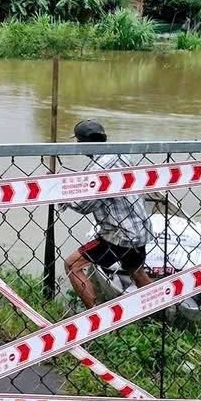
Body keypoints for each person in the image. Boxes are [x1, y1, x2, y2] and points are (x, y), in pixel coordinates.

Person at [64, 118, 152, 308]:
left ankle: (96, 316)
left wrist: (62, 195)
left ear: (81, 144)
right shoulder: (120, 154)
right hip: (140, 230)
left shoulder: (100, 167)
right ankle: (158, 309)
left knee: (72, 265)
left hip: (119, 235)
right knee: (136, 271)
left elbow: (84, 206)